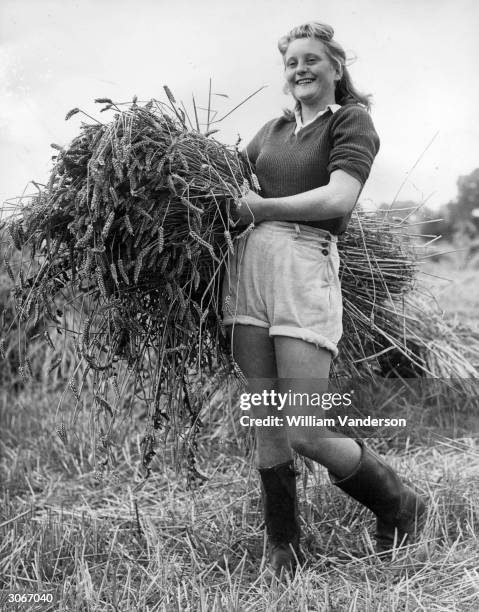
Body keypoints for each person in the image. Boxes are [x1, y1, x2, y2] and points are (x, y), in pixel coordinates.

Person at [221, 22, 426, 578]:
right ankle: (283, 549)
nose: (300, 69)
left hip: (306, 264)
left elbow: (340, 195)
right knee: (265, 420)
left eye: (312, 59)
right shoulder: (269, 132)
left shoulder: (351, 122)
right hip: (248, 272)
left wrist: (261, 208)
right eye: (291, 62)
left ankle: (399, 503)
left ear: (337, 67)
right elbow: (227, 194)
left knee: (305, 426)